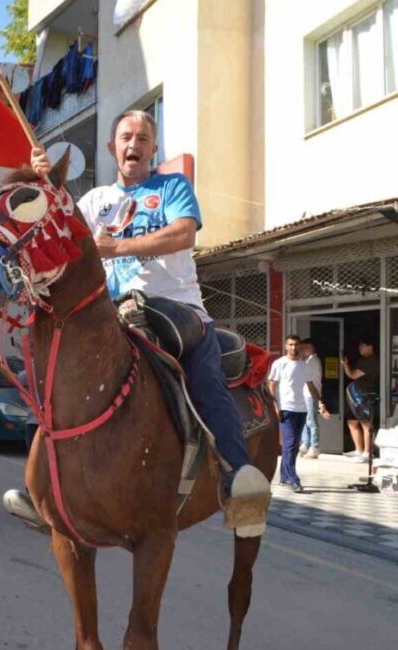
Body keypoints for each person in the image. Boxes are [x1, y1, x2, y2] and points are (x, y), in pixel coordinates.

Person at [30, 110, 265, 502]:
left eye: (142, 138)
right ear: (112, 147)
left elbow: (183, 233)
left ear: (153, 148)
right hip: (110, 315)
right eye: (126, 137)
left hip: (177, 309)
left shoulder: (172, 186)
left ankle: (238, 478)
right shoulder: (94, 201)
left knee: (205, 380)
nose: (133, 145)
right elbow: (56, 232)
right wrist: (44, 182)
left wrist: (118, 246)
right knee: (59, 378)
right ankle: (45, 486)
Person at [268, 335, 329, 493]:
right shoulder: (279, 363)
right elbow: (271, 385)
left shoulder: (304, 365)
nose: (294, 347)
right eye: (291, 344)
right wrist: (275, 406)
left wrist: (320, 403)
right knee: (289, 444)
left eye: (296, 345)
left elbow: (311, 386)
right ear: (286, 346)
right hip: (286, 408)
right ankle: (293, 478)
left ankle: (284, 476)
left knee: (294, 446)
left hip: (301, 409)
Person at [342, 339, 379, 463]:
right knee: (352, 422)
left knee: (366, 424)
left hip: (365, 396)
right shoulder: (362, 360)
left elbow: (352, 375)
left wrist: (345, 364)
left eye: (362, 346)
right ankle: (358, 450)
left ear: (370, 346)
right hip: (355, 395)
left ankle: (367, 452)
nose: (360, 348)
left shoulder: (372, 361)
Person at [299, 338, 323, 459]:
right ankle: (306, 443)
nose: (302, 350)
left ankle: (314, 446)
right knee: (306, 420)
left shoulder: (313, 361)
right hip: (305, 394)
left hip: (310, 395)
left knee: (311, 421)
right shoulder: (308, 360)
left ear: (311, 347)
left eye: (304, 347)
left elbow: (306, 377)